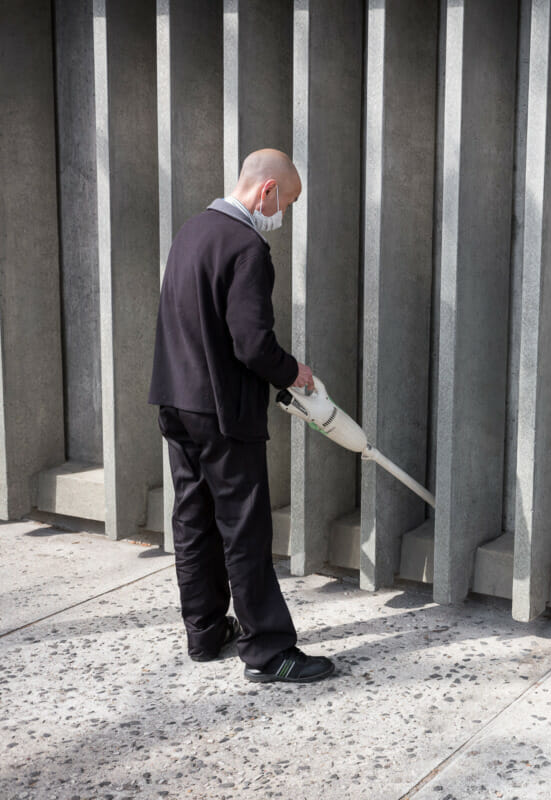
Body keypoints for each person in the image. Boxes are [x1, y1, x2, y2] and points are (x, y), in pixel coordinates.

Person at [149, 149, 334, 683]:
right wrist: (291, 370)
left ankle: (206, 632)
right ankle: (269, 651)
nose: (283, 216)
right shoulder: (248, 246)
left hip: (174, 398)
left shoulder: (191, 231)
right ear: (268, 190)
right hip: (222, 411)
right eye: (287, 204)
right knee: (244, 527)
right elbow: (251, 343)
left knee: (193, 517)